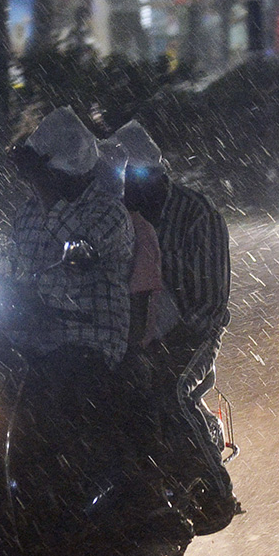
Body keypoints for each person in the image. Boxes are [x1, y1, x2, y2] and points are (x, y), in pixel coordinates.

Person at [8, 107, 135, 531]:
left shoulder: (107, 213)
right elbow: (17, 269)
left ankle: (70, 503)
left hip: (88, 340)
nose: (34, 180)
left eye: (42, 172)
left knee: (54, 400)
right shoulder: (27, 213)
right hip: (35, 337)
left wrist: (46, 193)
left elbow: (81, 248)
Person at [111, 120, 240, 534]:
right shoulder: (118, 216)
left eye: (129, 180)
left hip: (191, 332)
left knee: (169, 391)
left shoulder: (198, 215)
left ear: (150, 177)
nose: (124, 190)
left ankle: (217, 492)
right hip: (134, 330)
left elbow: (208, 304)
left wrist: (167, 348)